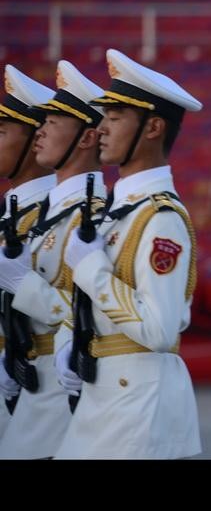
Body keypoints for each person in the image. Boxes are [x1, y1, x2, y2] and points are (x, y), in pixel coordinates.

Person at [54, 48, 202, 459]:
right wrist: (70, 338)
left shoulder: (161, 218)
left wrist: (92, 270)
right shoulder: (120, 211)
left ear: (153, 127)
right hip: (105, 396)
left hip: (138, 404)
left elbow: (159, 330)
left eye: (115, 118)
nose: (101, 128)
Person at [0, 61, 109, 459]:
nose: (42, 132)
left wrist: (22, 285)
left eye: (51, 123)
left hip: (55, 390)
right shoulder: (41, 214)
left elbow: (90, 314)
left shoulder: (88, 215)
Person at [0, 66, 56, 443]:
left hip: (38, 386)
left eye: (1, 132)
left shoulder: (55, 217)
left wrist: (21, 283)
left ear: (36, 141)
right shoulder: (11, 212)